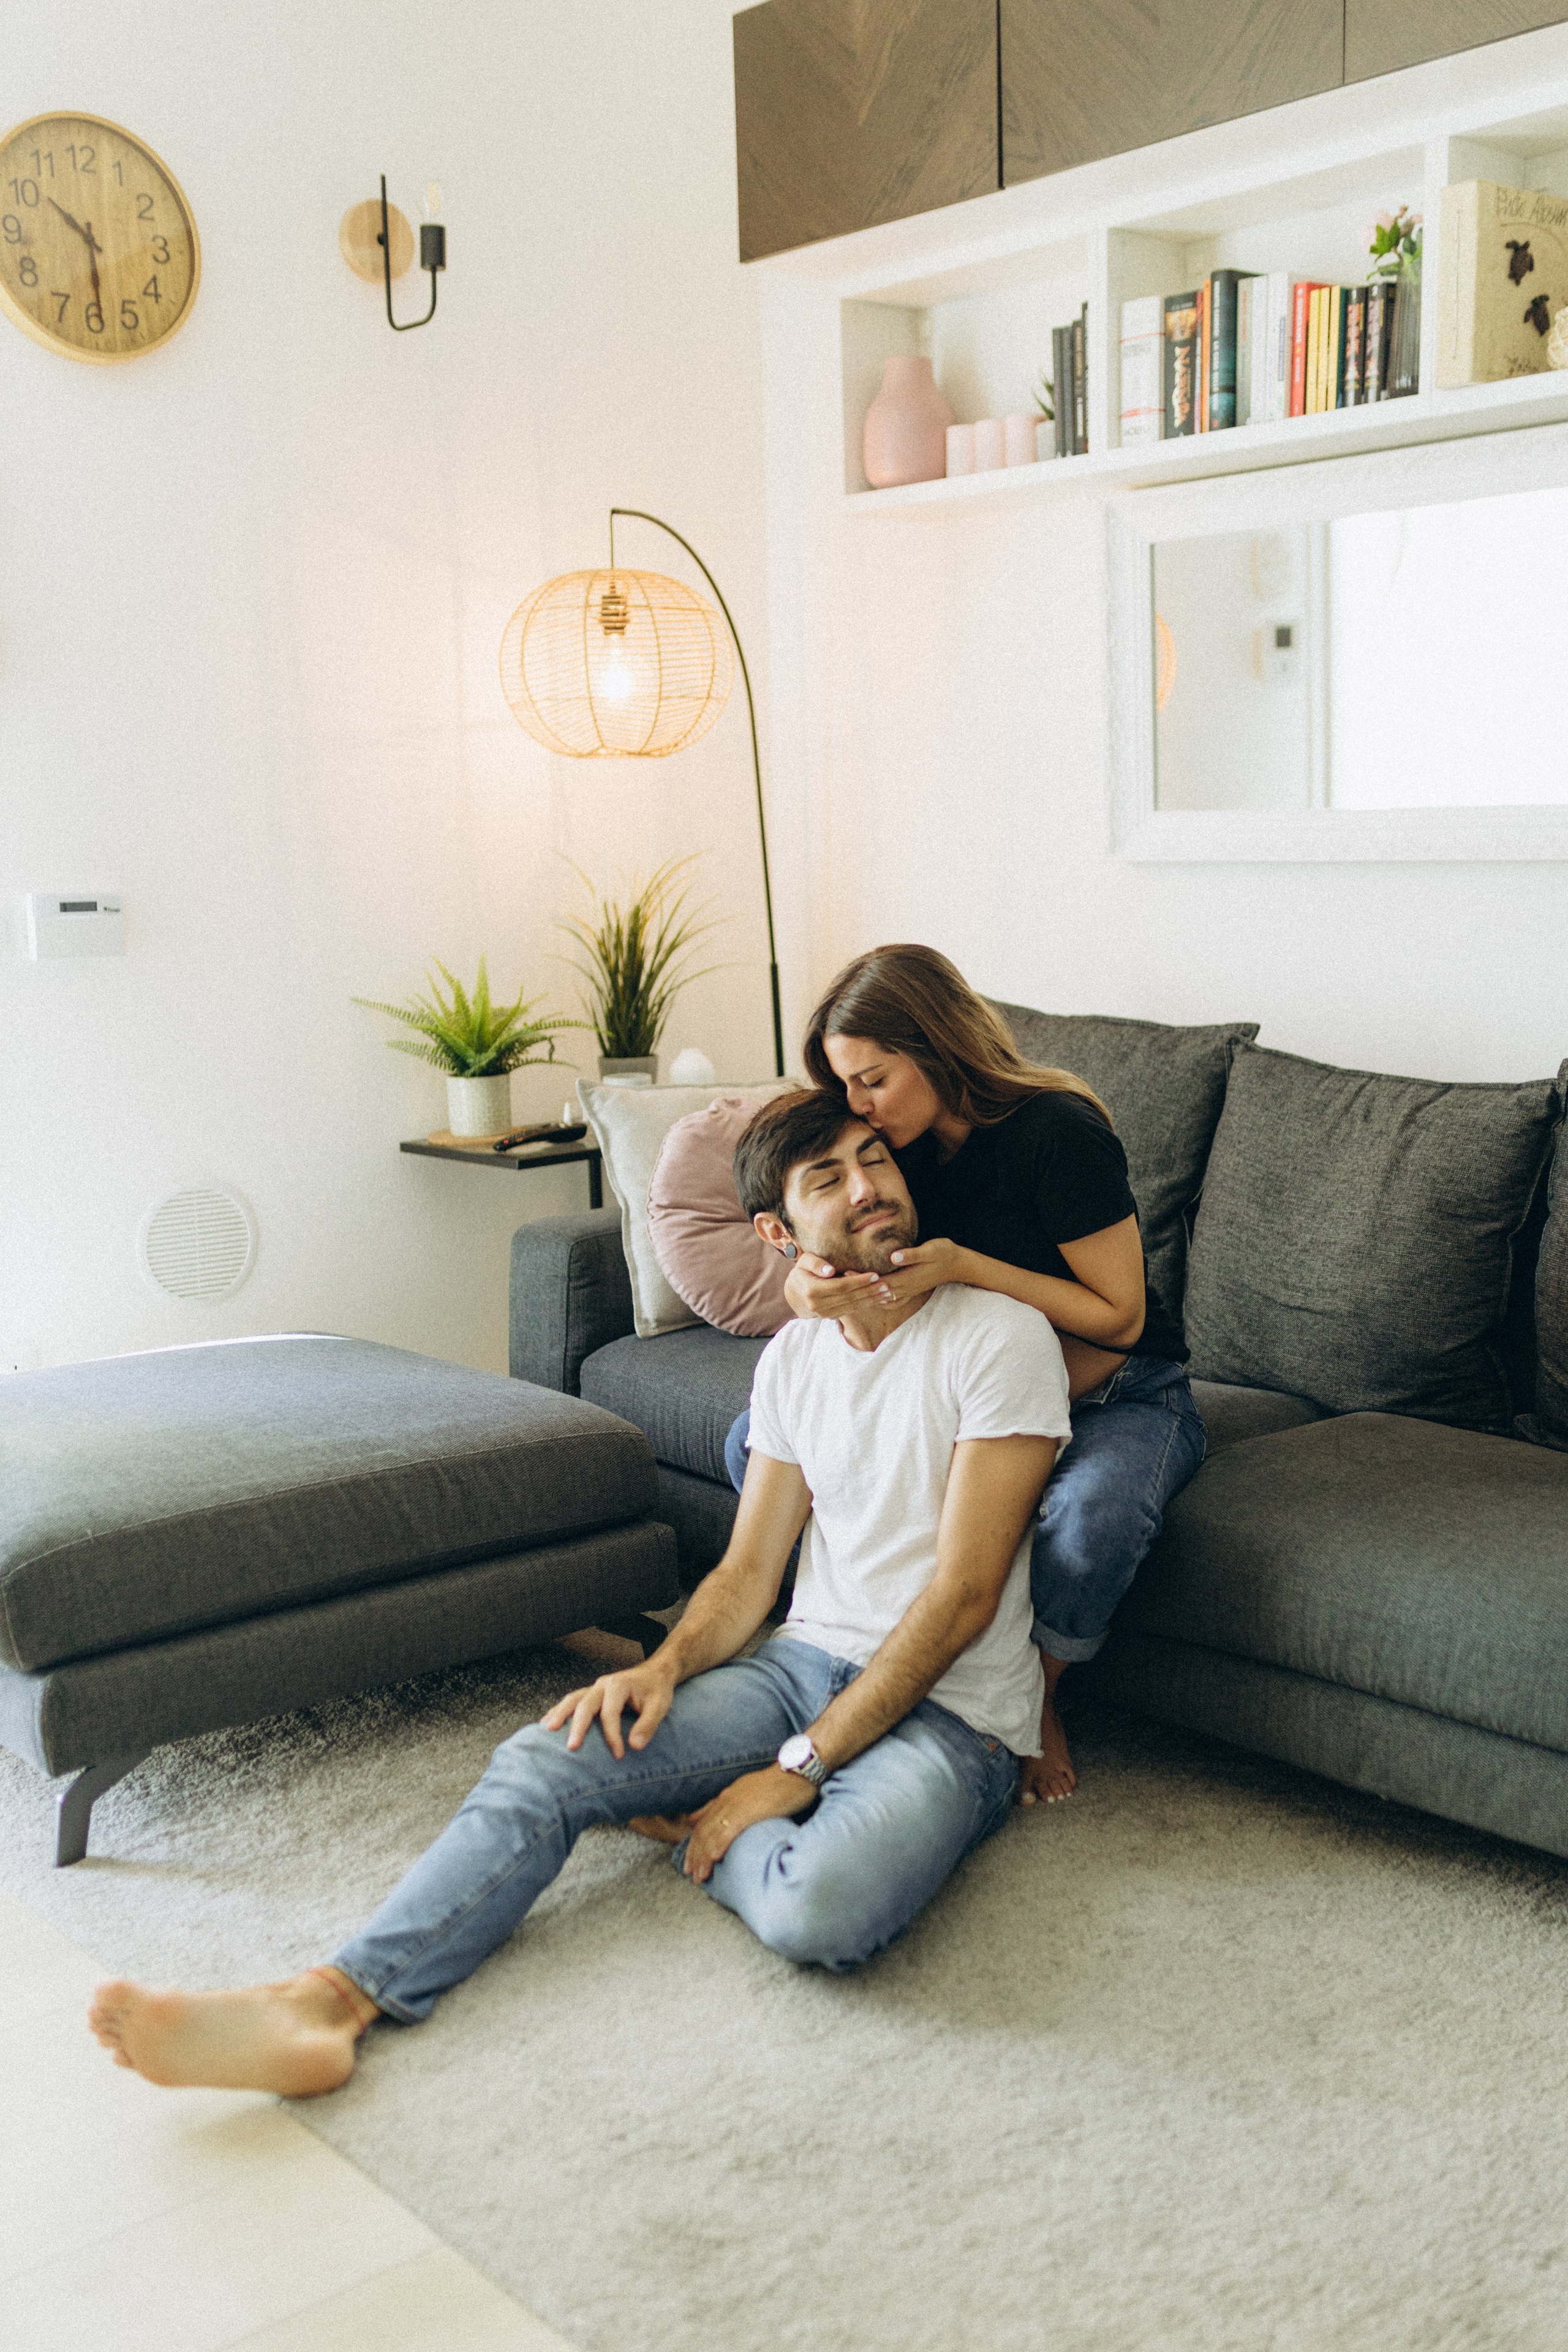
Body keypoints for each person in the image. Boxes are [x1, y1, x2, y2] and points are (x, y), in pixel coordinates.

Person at [88, 1090, 1072, 2100]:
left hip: (954, 1719)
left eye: (877, 1160)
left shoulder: (996, 1337)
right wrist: (661, 1670)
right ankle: (327, 2000)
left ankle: (704, 1817)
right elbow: (745, 1574)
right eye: (830, 1178)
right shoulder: (795, 1359)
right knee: (549, 1756)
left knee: (817, 1906)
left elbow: (960, 1598)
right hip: (800, 1667)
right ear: (778, 1232)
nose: (871, 1188)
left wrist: (797, 1768)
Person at [724, 944, 1206, 1807]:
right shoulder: (897, 1153)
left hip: (1115, 1391)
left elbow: (1121, 1317)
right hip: (974, 1396)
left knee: (1089, 1522)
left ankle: (1039, 1694)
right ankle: (853, 1651)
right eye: (848, 1089)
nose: (859, 1109)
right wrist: (802, 1278)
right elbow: (839, 1241)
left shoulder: (1058, 1134)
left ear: (938, 1049)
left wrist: (964, 1265)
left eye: (874, 1080)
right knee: (750, 1448)